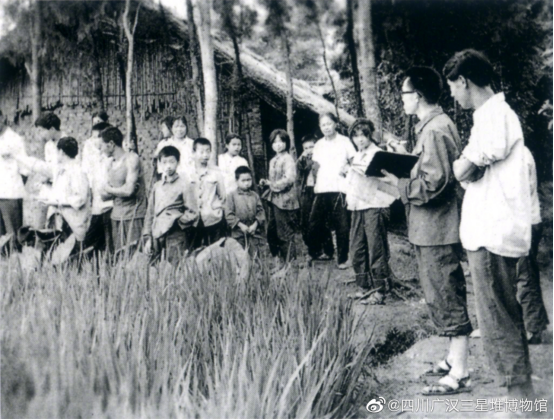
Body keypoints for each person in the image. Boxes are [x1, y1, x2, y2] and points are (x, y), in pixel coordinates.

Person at [445, 49, 534, 400]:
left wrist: (463, 166)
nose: (453, 95)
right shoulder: (490, 115)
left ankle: (522, 404)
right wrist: (466, 166)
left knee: (497, 318)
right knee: (500, 314)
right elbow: (470, 167)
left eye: (453, 87)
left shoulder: (495, 115)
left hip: (492, 232)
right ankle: (521, 400)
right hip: (490, 230)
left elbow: (464, 168)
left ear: (464, 81)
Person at [381, 66, 472, 395]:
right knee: (440, 291)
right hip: (430, 227)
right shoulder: (433, 126)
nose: (402, 99)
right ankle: (453, 359)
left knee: (445, 293)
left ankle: (460, 371)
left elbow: (434, 183)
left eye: (404, 94)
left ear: (417, 96)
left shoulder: (434, 129)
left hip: (438, 228)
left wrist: (398, 182)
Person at [12, 137, 92, 260]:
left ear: (61, 152)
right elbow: (39, 166)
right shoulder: (60, 169)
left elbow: (80, 199)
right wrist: (17, 156)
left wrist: (55, 201)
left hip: (73, 224)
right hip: (60, 221)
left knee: (71, 259)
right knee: (53, 255)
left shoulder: (78, 172)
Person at [345, 119, 396, 305]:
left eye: (363, 135)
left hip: (375, 204)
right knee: (357, 246)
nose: (360, 139)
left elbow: (388, 182)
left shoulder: (378, 154)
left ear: (370, 135)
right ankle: (363, 286)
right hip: (357, 205)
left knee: (376, 247)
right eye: (356, 136)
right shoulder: (357, 155)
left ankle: (380, 290)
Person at [307, 112, 356, 269]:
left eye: (329, 123)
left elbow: (354, 162)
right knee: (315, 222)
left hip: (339, 188)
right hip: (322, 188)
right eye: (323, 125)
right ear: (320, 127)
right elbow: (315, 167)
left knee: (342, 225)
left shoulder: (345, 141)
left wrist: (347, 169)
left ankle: (343, 259)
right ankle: (325, 252)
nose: (326, 127)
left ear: (335, 124)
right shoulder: (319, 144)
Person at [142, 146, 198, 264]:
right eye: (164, 162)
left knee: (176, 266)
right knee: (155, 267)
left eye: (172, 162)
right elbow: (150, 213)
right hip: (156, 234)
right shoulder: (157, 186)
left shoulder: (184, 184)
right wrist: (148, 237)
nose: (168, 166)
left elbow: (192, 212)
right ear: (160, 164)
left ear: (178, 162)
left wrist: (177, 223)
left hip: (175, 235)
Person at [516, 148, 549, 344]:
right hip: (523, 222)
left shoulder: (519, 154)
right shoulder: (518, 152)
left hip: (524, 223)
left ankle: (532, 328)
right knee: (524, 274)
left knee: (524, 275)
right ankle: (532, 324)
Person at [100, 126, 147, 257]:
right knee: (120, 257)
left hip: (134, 215)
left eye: (102, 145)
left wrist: (110, 189)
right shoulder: (109, 164)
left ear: (111, 144)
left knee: (137, 257)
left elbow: (128, 191)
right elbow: (103, 195)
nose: (101, 149)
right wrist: (115, 190)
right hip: (116, 216)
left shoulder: (132, 159)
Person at [260, 129, 300, 268]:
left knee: (284, 232)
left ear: (286, 143)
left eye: (281, 141)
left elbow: (289, 179)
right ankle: (279, 259)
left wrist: (272, 184)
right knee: (272, 230)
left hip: (285, 199)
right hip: (274, 199)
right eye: (275, 142)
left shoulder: (288, 159)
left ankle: (290, 263)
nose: (278, 145)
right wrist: (266, 182)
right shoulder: (273, 160)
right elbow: (273, 179)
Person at [296, 135, 333, 261]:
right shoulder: (302, 160)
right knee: (306, 221)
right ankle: (313, 251)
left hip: (320, 191)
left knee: (320, 221)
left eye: (311, 147)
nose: (309, 150)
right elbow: (299, 176)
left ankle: (328, 250)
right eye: (306, 148)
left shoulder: (321, 158)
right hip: (307, 191)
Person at [81, 121, 114, 253]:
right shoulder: (96, 158)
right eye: (93, 137)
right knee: (92, 242)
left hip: (108, 207)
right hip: (97, 207)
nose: (93, 141)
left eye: (97, 137)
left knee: (107, 242)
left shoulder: (110, 160)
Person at [189, 137, 226, 248]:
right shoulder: (187, 173)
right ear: (193, 153)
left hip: (212, 217)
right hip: (192, 219)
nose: (205, 155)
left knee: (215, 250)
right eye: (201, 152)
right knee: (194, 250)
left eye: (208, 151)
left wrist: (216, 209)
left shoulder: (216, 172)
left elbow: (222, 195)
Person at [0, 120, 28, 254]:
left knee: (14, 237)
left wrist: (13, 187)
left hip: (11, 195)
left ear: (2, 118)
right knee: (1, 239)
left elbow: (25, 170)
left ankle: (16, 263)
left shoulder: (15, 139)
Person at [225, 165, 265, 256]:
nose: (246, 183)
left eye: (248, 180)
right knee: (240, 257)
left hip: (253, 232)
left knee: (255, 256)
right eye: (243, 181)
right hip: (238, 234)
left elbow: (261, 211)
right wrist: (240, 225)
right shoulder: (231, 196)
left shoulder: (255, 195)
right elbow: (229, 215)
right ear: (236, 181)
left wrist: (255, 225)